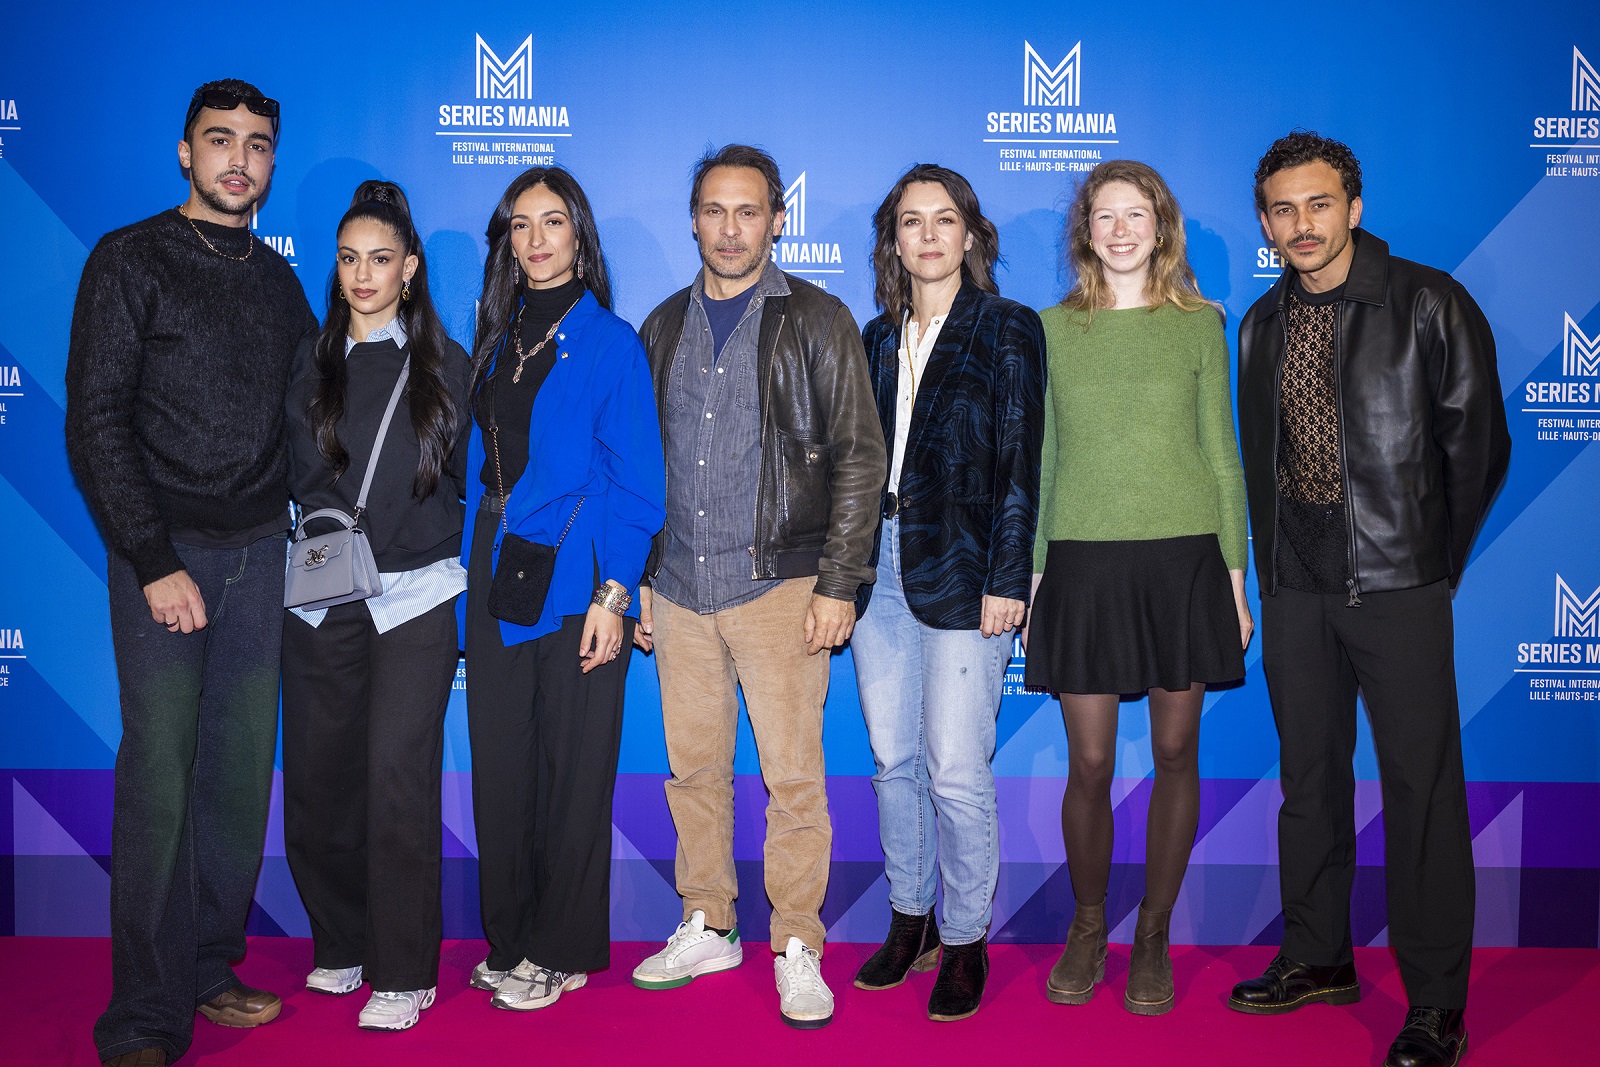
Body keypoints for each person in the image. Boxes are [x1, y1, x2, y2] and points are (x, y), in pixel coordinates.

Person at [1227, 131, 1510, 1067]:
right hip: (1295, 590)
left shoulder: (1428, 300)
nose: (1300, 226)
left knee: (1421, 791)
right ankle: (1318, 955)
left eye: (1317, 204)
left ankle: (1436, 1003)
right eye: (1281, 209)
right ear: (1264, 220)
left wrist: (1429, 559)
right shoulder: (1261, 323)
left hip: (1398, 585)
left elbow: (1478, 447)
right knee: (1308, 782)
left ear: (1352, 205)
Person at [64, 79, 316, 1067]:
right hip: (164, 561)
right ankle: (144, 1012)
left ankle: (208, 964)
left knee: (236, 780)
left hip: (262, 557)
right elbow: (95, 422)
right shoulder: (129, 260)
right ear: (184, 152)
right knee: (161, 783)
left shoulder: (278, 283)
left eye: (257, 145)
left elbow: (306, 428)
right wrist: (155, 560)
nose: (240, 161)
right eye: (221, 141)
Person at [629, 144, 887, 1029]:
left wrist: (839, 580)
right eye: (714, 210)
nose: (731, 228)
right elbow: (639, 467)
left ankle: (798, 943)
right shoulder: (661, 326)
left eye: (749, 211)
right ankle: (707, 920)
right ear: (693, 218)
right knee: (693, 771)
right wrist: (642, 581)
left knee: (793, 779)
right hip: (679, 585)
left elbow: (860, 454)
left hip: (783, 585)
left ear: (777, 219)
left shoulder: (819, 318)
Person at [1024, 159, 1252, 1016]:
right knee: (1087, 760)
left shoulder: (1201, 323)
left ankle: (1152, 930)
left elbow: (1222, 457)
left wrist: (1235, 580)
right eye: (1104, 215)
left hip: (1184, 562)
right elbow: (1042, 459)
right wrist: (1036, 576)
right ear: (1085, 230)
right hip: (1082, 563)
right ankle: (1090, 926)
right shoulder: (1049, 328)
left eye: (1137, 214)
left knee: (1172, 754)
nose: (1121, 230)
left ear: (1163, 226)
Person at [460, 166, 664, 1012]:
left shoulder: (612, 341)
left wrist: (614, 597)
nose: (536, 239)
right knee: (501, 768)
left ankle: (561, 945)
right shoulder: (495, 334)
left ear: (580, 235)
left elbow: (637, 483)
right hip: (494, 566)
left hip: (578, 578)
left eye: (553, 222)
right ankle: (509, 937)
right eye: (520, 224)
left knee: (574, 770)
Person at [849, 164, 1045, 1022]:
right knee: (895, 763)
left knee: (958, 771)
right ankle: (911, 916)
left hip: (967, 569)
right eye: (910, 222)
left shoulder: (1008, 327)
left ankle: (966, 938)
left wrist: (1010, 579)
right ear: (893, 240)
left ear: (971, 233)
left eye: (944, 219)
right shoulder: (871, 338)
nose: (927, 235)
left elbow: (1018, 463)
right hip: (877, 568)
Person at [280, 180, 471, 1032]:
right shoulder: (309, 362)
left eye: (381, 260)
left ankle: (405, 968)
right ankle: (343, 942)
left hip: (417, 598)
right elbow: (296, 472)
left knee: (398, 776)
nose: (364, 275)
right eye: (350, 258)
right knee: (320, 781)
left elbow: (465, 488)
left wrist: (396, 540)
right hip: (325, 595)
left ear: (411, 269)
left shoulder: (446, 365)